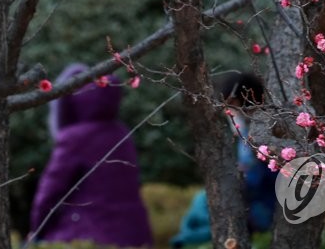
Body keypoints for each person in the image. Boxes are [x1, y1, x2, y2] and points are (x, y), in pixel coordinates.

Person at [30, 63, 153, 248]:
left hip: (87, 235)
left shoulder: (74, 139)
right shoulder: (122, 134)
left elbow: (50, 192)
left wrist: (36, 230)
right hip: (134, 234)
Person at [170, 71, 278, 247]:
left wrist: (237, 178)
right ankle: (184, 239)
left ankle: (183, 241)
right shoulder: (245, 134)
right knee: (201, 203)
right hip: (248, 198)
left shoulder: (265, 135)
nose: (229, 112)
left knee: (206, 214)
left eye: (233, 105)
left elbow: (258, 180)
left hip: (261, 206)